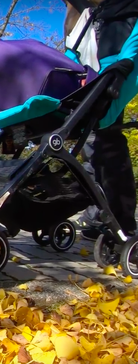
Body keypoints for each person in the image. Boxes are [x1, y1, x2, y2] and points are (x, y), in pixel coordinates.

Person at [64, 0, 137, 240]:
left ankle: (124, 225)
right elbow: (73, 43)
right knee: (89, 143)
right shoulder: (89, 13)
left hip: (118, 58)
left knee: (106, 139)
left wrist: (125, 63)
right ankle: (99, 213)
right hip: (93, 61)